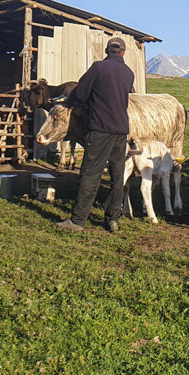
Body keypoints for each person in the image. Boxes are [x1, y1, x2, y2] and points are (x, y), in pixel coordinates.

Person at [54, 37, 135, 233]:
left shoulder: (98, 68)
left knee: (91, 175)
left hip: (100, 130)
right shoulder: (129, 73)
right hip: (121, 131)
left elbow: (80, 94)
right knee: (117, 176)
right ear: (123, 53)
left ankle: (78, 221)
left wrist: (70, 99)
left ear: (107, 51)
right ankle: (113, 219)